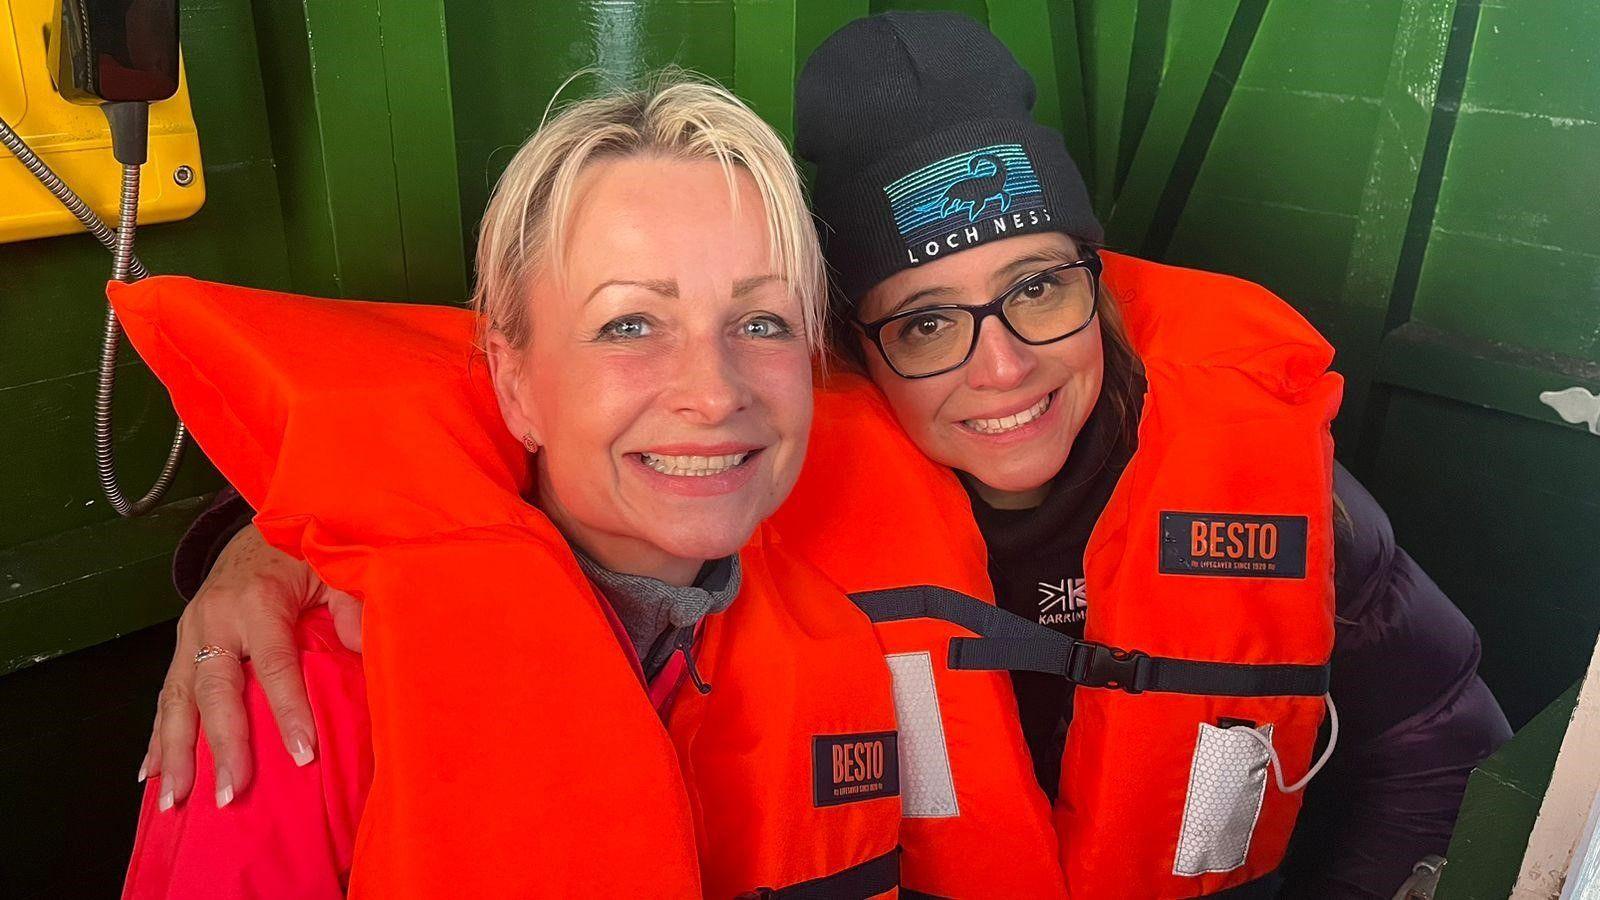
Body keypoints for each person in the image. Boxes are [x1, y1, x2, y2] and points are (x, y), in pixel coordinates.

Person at [139, 13, 1512, 899]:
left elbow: (1437, 734)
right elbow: (453, 437)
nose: (1002, 364)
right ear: (856, 348)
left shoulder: (1255, 473)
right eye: (923, 321)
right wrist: (268, 542)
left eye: (1040, 287)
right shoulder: (311, 701)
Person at [122, 73, 1068, 899]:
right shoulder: (307, 702)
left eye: (763, 321)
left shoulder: (847, 577)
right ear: (514, 378)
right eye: (629, 325)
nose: (714, 392)